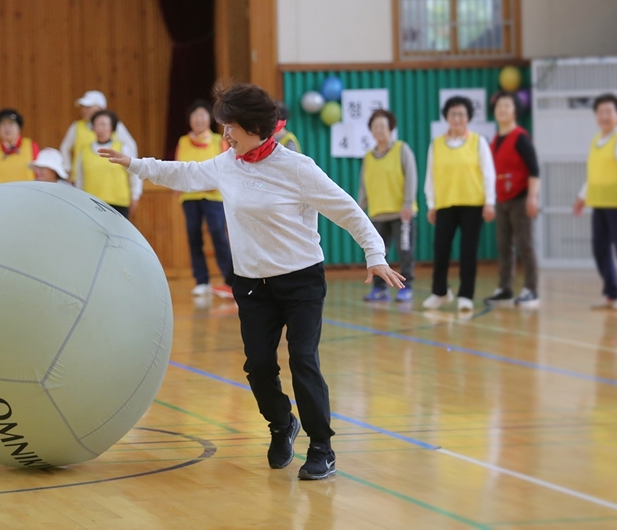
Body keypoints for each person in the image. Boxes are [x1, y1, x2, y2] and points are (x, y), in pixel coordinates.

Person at [99, 82, 404, 481]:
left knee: (302, 360)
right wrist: (135, 164)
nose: (224, 134)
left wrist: (374, 253)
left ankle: (321, 448)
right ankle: (281, 424)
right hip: (253, 286)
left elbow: (346, 209)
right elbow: (186, 174)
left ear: (255, 127)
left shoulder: (297, 167)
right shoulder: (228, 163)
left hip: (300, 282)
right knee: (259, 367)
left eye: (231, 127)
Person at [423, 96, 496, 312]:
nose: (457, 118)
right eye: (453, 114)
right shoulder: (436, 144)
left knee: (468, 251)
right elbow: (431, 175)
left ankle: (466, 295)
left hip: (473, 204)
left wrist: (489, 202)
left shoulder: (478, 141)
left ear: (468, 117)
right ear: (446, 117)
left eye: (462, 114)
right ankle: (440, 292)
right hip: (445, 204)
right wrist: (431, 204)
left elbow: (488, 173)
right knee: (441, 249)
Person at [573, 93, 617, 310]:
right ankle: (613, 294)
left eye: (609, 111)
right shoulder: (597, 140)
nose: (604, 116)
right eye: (600, 112)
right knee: (600, 249)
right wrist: (582, 196)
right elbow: (595, 174)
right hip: (601, 205)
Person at [483, 92, 541, 309]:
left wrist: (532, 198)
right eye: (499, 106)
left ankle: (531, 289)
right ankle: (505, 289)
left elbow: (535, 170)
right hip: (502, 200)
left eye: (507, 106)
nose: (502, 110)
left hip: (521, 199)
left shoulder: (521, 137)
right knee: (503, 245)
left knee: (525, 245)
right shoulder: (495, 140)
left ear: (515, 111)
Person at [175, 100, 235, 300]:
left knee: (219, 235)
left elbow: (228, 168)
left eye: (202, 115)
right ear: (189, 120)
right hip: (190, 196)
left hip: (214, 196)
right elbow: (178, 167)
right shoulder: (183, 141)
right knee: (194, 237)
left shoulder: (220, 140)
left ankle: (230, 281)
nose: (199, 119)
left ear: (210, 119)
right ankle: (201, 280)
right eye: (195, 115)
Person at [357, 109, 416, 303]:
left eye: (383, 126)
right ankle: (380, 289)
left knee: (405, 252)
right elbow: (364, 186)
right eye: (375, 126)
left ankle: (406, 288)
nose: (379, 130)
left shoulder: (401, 149)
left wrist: (408, 204)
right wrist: (359, 209)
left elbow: (411, 177)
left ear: (391, 129)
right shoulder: (368, 156)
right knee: (378, 254)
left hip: (401, 213)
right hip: (377, 214)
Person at [75, 110, 141, 219]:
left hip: (118, 203)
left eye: (104, 125)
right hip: (92, 204)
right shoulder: (84, 151)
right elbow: (80, 179)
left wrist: (135, 195)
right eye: (96, 125)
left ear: (112, 127)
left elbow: (134, 174)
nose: (100, 129)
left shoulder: (122, 148)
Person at [60, 90, 137, 174]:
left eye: (88, 107)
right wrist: (68, 169)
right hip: (85, 176)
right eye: (83, 107)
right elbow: (65, 147)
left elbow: (131, 147)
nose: (83, 110)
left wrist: (132, 169)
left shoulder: (116, 126)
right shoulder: (77, 126)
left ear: (100, 108)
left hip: (111, 175)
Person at [0, 109, 39, 186]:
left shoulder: (31, 146)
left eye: (11, 123)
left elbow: (40, 175)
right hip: (1, 196)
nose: (7, 128)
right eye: (3, 124)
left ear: (19, 128)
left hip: (27, 195)